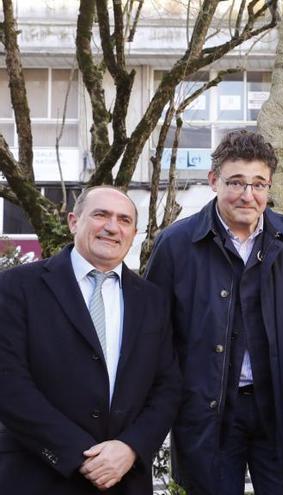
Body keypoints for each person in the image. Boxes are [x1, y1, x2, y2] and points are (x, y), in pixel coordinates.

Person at [145, 130, 283, 495]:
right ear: (214, 181)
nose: (248, 195)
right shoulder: (176, 244)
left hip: (278, 408)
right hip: (208, 413)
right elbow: (150, 332)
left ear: (270, 187)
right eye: (236, 182)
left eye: (259, 184)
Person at [0, 186, 181, 494]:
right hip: (38, 475)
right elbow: (9, 382)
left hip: (124, 477)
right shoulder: (17, 287)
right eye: (101, 215)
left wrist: (131, 447)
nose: (112, 227)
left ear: (133, 232)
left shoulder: (152, 300)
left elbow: (167, 387)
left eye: (124, 220)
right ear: (74, 221)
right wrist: (79, 453)